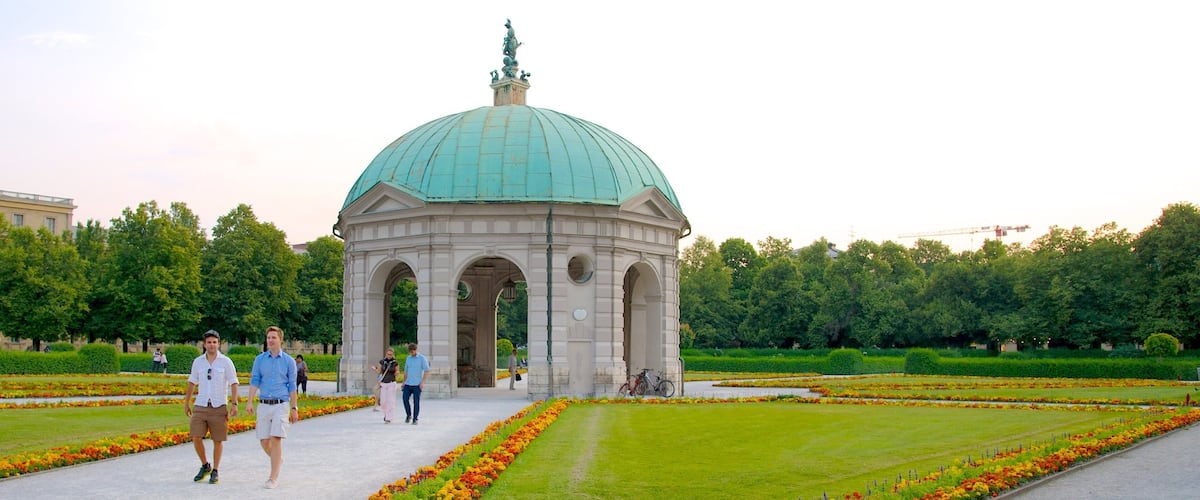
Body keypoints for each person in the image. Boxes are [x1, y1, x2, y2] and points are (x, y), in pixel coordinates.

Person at [184, 329, 239, 484]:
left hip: (218, 405)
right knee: (196, 436)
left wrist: (234, 403)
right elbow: (192, 382)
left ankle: (215, 470)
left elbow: (234, 382)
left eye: (214, 342)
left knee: (217, 439)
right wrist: (187, 402)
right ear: (204, 344)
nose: (212, 345)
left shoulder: (226, 362)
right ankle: (205, 465)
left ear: (219, 344)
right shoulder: (198, 362)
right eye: (209, 342)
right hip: (201, 404)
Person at [247, 326, 299, 489]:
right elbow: (255, 380)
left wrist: (294, 407)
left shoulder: (289, 361)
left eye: (273, 337)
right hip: (264, 404)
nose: (270, 340)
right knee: (264, 440)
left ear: (280, 340)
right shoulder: (260, 360)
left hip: (280, 404)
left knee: (276, 438)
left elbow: (292, 386)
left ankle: (273, 477)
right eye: (268, 337)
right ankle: (277, 459)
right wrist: (249, 401)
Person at [401, 343, 430, 425]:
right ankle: (408, 415)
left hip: (417, 384)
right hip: (408, 383)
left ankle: (415, 418)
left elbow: (427, 370)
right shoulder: (408, 358)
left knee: (416, 402)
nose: (411, 353)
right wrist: (403, 382)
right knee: (405, 399)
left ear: (416, 350)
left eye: (412, 352)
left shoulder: (422, 358)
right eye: (410, 352)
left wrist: (422, 382)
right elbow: (406, 371)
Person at [371, 348, 399, 423]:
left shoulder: (395, 362)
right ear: (386, 354)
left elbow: (397, 371)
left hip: (391, 383)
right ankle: (386, 414)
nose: (389, 356)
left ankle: (389, 417)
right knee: (383, 402)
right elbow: (379, 372)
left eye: (391, 354)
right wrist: (374, 369)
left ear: (393, 355)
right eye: (388, 354)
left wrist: (397, 373)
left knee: (390, 401)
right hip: (383, 384)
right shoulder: (382, 362)